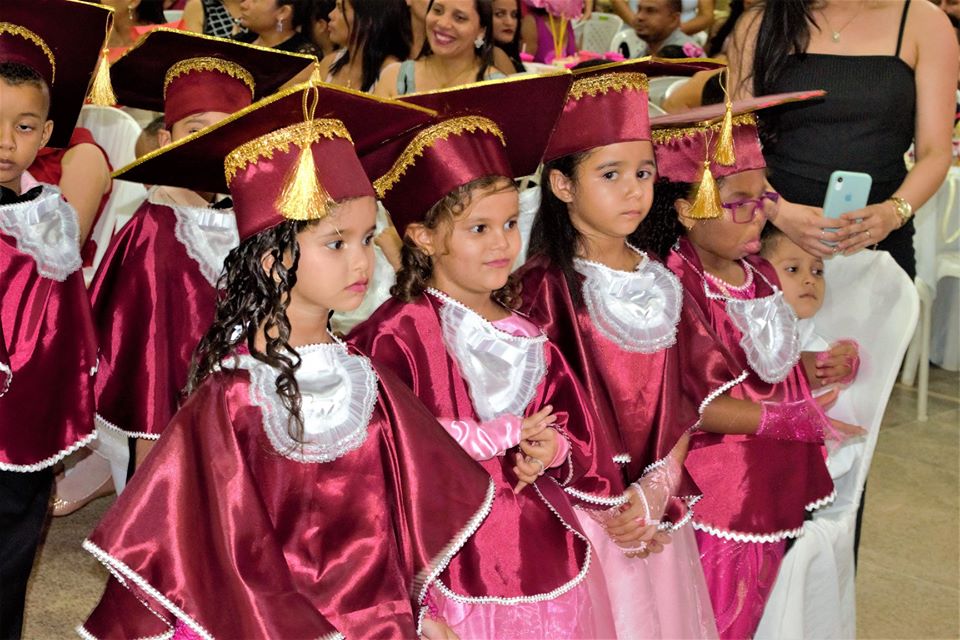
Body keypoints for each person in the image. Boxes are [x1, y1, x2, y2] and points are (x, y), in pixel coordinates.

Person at [80, 82, 493, 639]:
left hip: (372, 620)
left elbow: (404, 514)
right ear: (275, 260)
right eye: (336, 241)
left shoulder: (366, 379)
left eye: (368, 238)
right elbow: (215, 546)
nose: (362, 260)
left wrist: (423, 610)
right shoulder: (232, 395)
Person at [350, 74, 638, 638]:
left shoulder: (530, 335)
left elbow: (578, 430)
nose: (503, 244)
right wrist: (491, 436)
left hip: (535, 548)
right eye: (478, 229)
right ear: (423, 237)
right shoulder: (394, 335)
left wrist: (551, 448)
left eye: (509, 224)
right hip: (444, 558)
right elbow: (377, 454)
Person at [645, 95, 864, 638]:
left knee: (753, 606)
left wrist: (810, 368)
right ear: (684, 206)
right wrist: (789, 421)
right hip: (718, 490)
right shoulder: (677, 287)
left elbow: (759, 366)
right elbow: (688, 404)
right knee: (717, 611)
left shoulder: (758, 274)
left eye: (764, 193)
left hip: (767, 477)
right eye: (737, 200)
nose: (760, 210)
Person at [517, 58, 720, 639]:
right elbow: (543, 416)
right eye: (610, 175)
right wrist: (612, 501)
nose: (634, 190)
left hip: (653, 505)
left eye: (643, 172)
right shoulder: (543, 289)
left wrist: (658, 487)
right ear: (562, 184)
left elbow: (684, 397)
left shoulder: (666, 278)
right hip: (582, 512)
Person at [88, 29, 316, 483]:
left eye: (226, 130)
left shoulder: (267, 221)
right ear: (165, 139)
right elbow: (145, 350)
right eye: (195, 130)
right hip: (172, 402)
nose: (210, 145)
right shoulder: (154, 225)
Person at [0, 2, 112, 636]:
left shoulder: (50, 217)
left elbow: (66, 318)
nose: (3, 142)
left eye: (22, 127)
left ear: (45, 137)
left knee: (15, 539)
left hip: (26, 421)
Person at [727, 0, 958, 279]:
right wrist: (779, 212)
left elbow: (935, 152)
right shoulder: (760, 22)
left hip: (877, 237)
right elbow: (735, 143)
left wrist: (893, 212)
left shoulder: (924, 21)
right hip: (773, 234)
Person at [376, 0, 505, 98]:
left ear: (481, 31)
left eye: (459, 18)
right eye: (437, 11)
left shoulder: (498, 89)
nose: (443, 24)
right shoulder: (394, 78)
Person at [318, 0, 410, 93]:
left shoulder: (393, 74)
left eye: (341, 9)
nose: (330, 15)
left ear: (368, 20)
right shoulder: (329, 62)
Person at [234, 0, 318, 55]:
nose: (243, 5)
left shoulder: (302, 56)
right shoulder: (240, 41)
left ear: (283, 12)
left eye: (255, 0)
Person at [629, 0, 701, 56]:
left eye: (650, 11)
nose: (639, 17)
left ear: (673, 19)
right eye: (639, 9)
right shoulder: (642, 51)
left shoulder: (687, 60)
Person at [492, 0, 523, 72]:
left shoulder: (507, 53)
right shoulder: (495, 54)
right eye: (499, 14)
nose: (509, 22)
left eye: (514, 15)